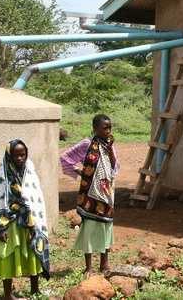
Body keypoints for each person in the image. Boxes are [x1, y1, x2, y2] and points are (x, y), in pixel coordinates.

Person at [0, 139, 50, 300]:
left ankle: (35, 290)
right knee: (7, 255)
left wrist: (35, 223)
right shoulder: (3, 176)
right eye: (16, 155)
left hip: (28, 223)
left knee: (32, 253)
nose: (20, 158)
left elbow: (36, 199)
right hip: (9, 224)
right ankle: (8, 294)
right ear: (9, 156)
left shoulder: (30, 173)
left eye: (23, 155)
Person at [59, 114, 118, 274]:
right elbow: (65, 158)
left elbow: (115, 167)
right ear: (95, 128)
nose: (108, 131)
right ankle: (88, 267)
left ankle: (104, 264)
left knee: (106, 226)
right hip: (90, 195)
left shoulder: (110, 145)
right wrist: (81, 171)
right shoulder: (87, 144)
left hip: (106, 194)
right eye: (104, 128)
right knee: (90, 228)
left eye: (109, 127)